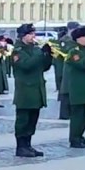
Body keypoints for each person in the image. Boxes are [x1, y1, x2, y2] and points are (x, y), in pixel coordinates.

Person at [10, 23, 52, 157]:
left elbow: (44, 67)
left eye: (34, 34)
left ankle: (28, 145)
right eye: (30, 34)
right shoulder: (18, 51)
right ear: (23, 36)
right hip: (25, 91)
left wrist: (48, 56)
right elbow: (26, 65)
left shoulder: (34, 49)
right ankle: (20, 146)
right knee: (23, 120)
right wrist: (40, 53)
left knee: (32, 120)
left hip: (37, 89)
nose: (33, 36)